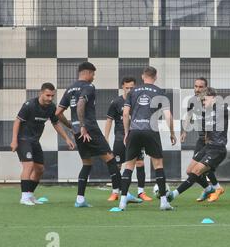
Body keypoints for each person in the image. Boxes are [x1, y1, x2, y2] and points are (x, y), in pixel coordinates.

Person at [168, 87, 230, 204]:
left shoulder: (222, 107)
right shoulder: (203, 111)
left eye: (205, 100)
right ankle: (209, 189)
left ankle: (173, 194)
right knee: (189, 171)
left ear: (213, 98)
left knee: (196, 171)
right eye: (202, 101)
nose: (203, 103)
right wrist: (185, 131)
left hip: (218, 149)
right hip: (207, 147)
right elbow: (191, 116)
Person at [56, 61, 123, 208]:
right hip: (89, 129)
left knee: (87, 164)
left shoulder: (69, 89)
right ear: (87, 73)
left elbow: (58, 113)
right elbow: (81, 104)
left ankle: (80, 199)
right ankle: (120, 193)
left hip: (78, 131)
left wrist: (73, 126)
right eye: (93, 74)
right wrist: (83, 126)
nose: (93, 77)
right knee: (111, 159)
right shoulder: (89, 87)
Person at [118, 66, 177, 211]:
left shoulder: (133, 91)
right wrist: (172, 133)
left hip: (135, 131)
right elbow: (168, 115)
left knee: (129, 166)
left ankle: (122, 201)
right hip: (151, 131)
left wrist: (126, 133)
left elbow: (125, 114)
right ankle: (163, 202)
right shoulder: (159, 91)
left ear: (143, 76)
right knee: (158, 166)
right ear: (155, 77)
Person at [10, 82, 75, 206]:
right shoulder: (29, 105)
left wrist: (67, 138)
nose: (50, 98)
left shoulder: (51, 107)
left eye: (52, 96)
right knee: (28, 166)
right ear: (41, 93)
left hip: (35, 141)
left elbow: (56, 123)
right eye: (47, 95)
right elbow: (17, 121)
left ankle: (30, 195)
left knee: (39, 169)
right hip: (23, 139)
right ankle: (23, 197)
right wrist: (14, 140)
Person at [104, 77, 150, 202]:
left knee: (140, 163)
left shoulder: (139, 101)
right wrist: (106, 137)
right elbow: (109, 120)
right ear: (122, 87)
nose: (129, 90)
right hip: (120, 137)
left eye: (132, 88)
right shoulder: (116, 102)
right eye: (127, 87)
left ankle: (141, 192)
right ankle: (115, 192)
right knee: (117, 164)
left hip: (136, 136)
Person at [180, 78, 225, 202]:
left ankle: (215, 188)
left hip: (210, 140)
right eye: (195, 86)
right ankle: (210, 188)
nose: (197, 89)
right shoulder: (192, 101)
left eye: (200, 87)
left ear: (206, 88)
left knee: (204, 167)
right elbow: (188, 116)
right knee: (196, 169)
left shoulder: (211, 102)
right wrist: (184, 131)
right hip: (202, 140)